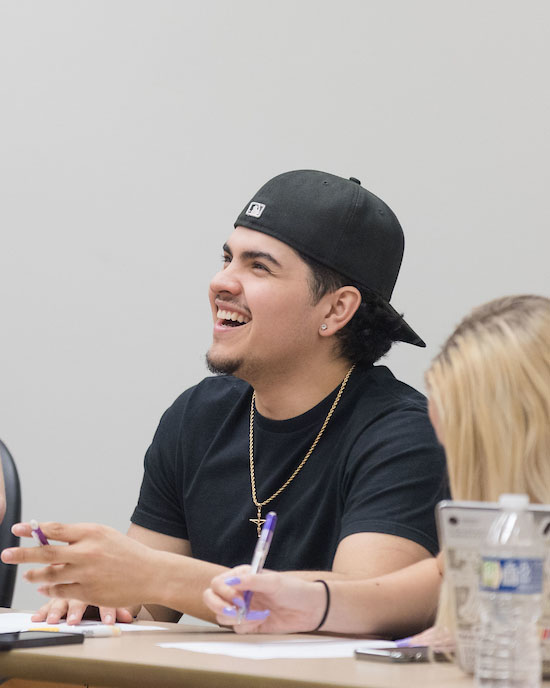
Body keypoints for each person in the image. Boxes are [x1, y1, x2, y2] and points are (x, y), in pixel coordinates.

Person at [2, 170, 447, 625]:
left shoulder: (405, 435)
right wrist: (101, 598)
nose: (221, 282)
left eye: (259, 266)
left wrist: (156, 576)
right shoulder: (199, 415)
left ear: (336, 309)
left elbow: (358, 614)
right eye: (226, 258)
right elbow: (146, 605)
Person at [202, 294, 550, 640]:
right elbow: (425, 582)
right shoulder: (500, 530)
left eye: (462, 449)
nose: (456, 472)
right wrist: (300, 599)